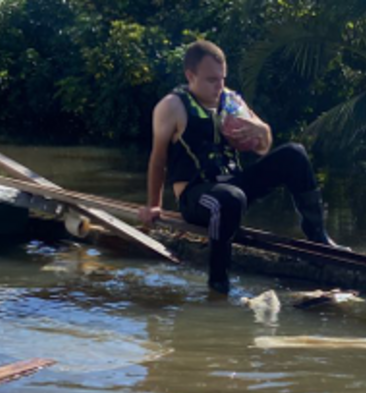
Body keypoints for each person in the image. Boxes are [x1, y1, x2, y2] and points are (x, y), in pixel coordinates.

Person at [138, 40, 345, 294]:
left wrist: (261, 130)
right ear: (190, 76)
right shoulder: (172, 106)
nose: (219, 86)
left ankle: (318, 241)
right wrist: (154, 205)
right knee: (229, 198)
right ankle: (218, 284)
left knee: (295, 154)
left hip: (234, 188)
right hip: (197, 196)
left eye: (222, 78)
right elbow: (158, 158)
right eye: (211, 80)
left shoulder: (231, 101)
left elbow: (263, 147)